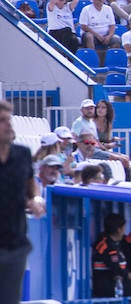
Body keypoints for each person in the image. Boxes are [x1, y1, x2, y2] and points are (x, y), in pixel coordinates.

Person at [1, 99, 45, 304]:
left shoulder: (23, 154)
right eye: (2, 121)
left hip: (16, 242)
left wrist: (34, 199)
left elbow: (31, 184)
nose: (8, 125)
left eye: (9, 120)